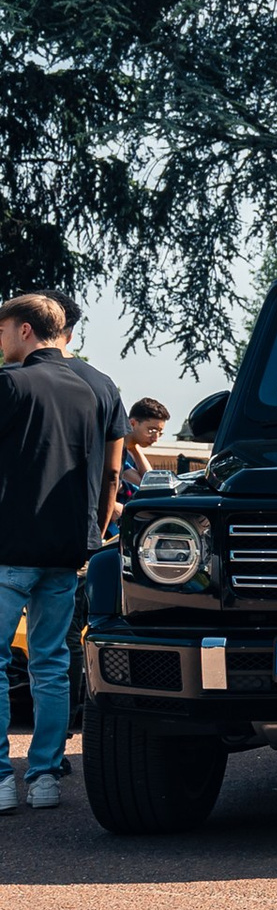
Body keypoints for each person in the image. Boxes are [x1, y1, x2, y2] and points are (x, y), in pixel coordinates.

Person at [0, 295, 106, 814]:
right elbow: (95, 474)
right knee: (50, 664)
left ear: (23, 330)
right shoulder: (86, 391)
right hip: (64, 550)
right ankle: (43, 777)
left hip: (8, 545)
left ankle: (0, 777)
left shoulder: (11, 383)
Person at [53, 295, 130, 537]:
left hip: (15, 536)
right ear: (70, 334)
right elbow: (112, 472)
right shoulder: (104, 385)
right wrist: (97, 531)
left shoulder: (12, 380)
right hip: (79, 530)